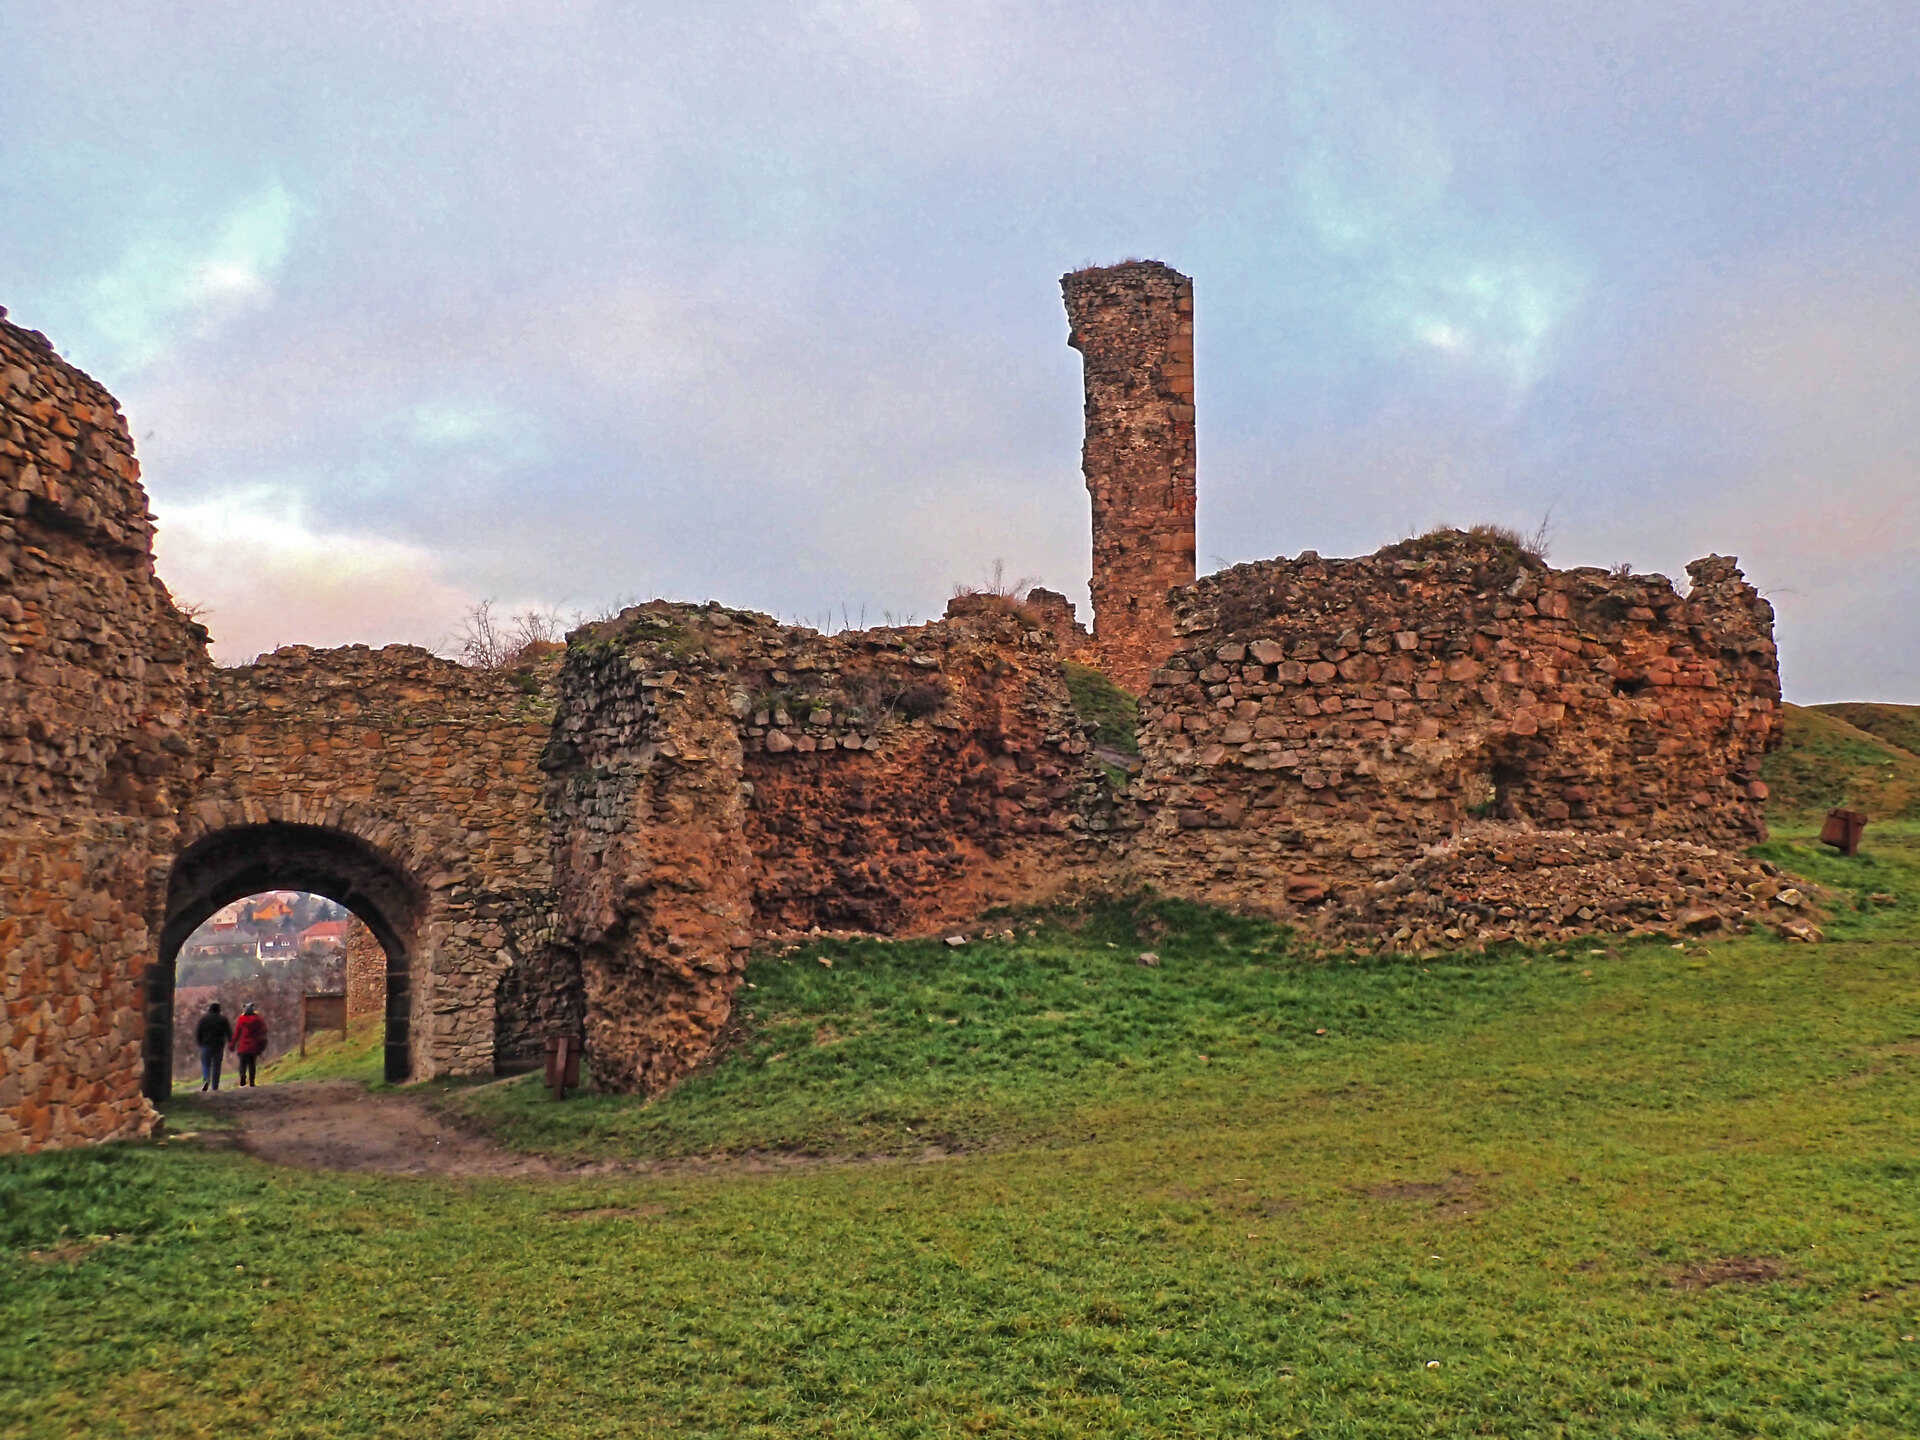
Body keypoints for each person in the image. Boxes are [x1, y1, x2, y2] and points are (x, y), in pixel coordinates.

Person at [195, 1003, 233, 1091]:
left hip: (206, 1045)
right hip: (218, 1045)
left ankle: (206, 1079)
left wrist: (199, 1043)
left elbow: (198, 1032)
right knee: (217, 1066)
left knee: (205, 1064)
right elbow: (228, 1032)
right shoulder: (223, 1019)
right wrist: (230, 1042)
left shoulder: (203, 1019)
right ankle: (215, 1086)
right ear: (219, 1010)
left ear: (210, 1009)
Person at [232, 1002, 268, 1087]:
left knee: (242, 1064)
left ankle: (242, 1077)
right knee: (252, 1064)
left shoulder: (241, 1019)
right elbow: (264, 1030)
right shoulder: (258, 1019)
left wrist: (232, 1044)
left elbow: (237, 1033)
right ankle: (252, 1081)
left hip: (243, 1046)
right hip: (253, 1046)